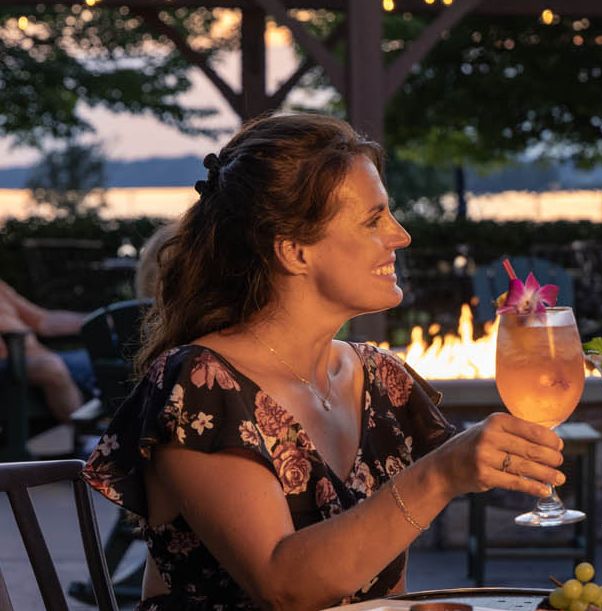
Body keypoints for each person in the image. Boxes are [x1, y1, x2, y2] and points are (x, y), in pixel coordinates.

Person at [82, 113, 567, 610]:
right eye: (373, 219)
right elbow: (284, 587)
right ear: (295, 251)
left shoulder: (381, 380)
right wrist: (439, 474)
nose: (401, 236)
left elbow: (379, 595)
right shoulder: (201, 383)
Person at [0, 279, 90, 421]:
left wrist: (99, 319)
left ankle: (122, 430)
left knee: (103, 357)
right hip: (8, 362)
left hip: (37, 356)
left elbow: (43, 322)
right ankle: (88, 436)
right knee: (51, 366)